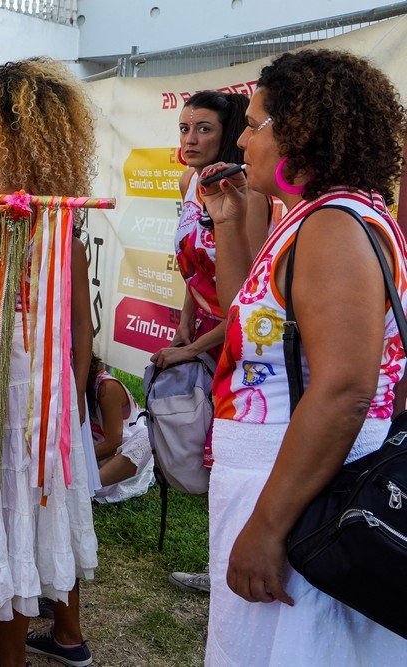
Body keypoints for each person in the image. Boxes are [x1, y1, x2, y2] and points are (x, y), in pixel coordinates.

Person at [201, 49, 407, 665]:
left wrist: (268, 526)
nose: (242, 140)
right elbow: (246, 316)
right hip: (282, 474)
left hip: (295, 485)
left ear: (300, 130)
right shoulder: (314, 215)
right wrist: (230, 221)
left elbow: (344, 388)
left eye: (254, 125)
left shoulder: (333, 225)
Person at [0, 57, 98, 667]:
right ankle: (69, 637)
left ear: (7, 132)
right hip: (49, 381)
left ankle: (10, 657)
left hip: (15, 380)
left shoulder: (5, 212)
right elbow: (82, 326)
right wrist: (74, 389)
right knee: (49, 502)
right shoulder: (60, 211)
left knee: (15, 506)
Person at [155, 90, 271, 596]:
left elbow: (251, 298)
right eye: (184, 128)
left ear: (227, 135)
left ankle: (230, 567)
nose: (190, 139)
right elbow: (196, 261)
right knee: (206, 455)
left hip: (239, 341)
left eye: (203, 129)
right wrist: (186, 321)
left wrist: (192, 349)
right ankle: (220, 560)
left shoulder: (249, 195)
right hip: (205, 332)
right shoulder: (189, 183)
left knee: (225, 460)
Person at [87, 355, 154, 503]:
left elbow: (112, 445)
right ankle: (85, 485)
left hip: (121, 462)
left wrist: (76, 459)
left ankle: (88, 486)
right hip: (93, 458)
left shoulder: (107, 387)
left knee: (148, 438)